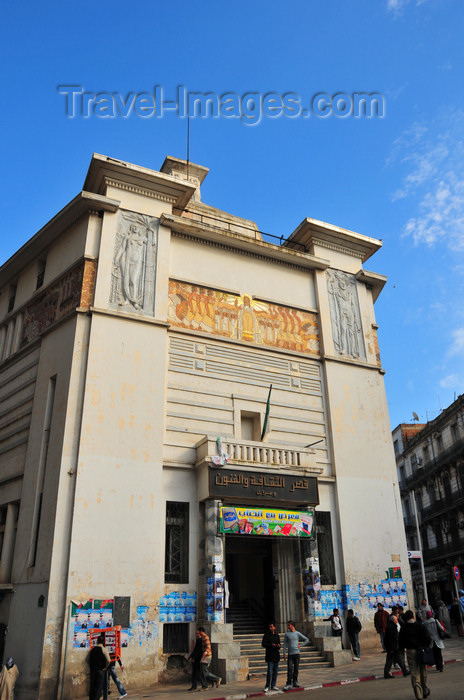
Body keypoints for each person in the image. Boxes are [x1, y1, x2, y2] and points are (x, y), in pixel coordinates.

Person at [399, 609, 432, 700]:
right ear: (413, 617)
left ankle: (418, 693)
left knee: (414, 672)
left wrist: (401, 649)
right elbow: (428, 639)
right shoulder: (420, 626)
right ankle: (425, 690)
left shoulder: (404, 628)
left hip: (410, 651)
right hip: (421, 650)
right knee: (423, 670)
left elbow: (400, 641)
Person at [282, 620, 309, 691]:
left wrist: (300, 645)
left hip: (297, 653)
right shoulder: (287, 634)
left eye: (289, 625)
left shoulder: (297, 633)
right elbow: (285, 644)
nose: (288, 626)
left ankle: (295, 681)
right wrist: (284, 653)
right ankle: (288, 683)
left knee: (296, 668)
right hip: (290, 654)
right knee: (290, 669)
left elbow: (306, 639)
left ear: (292, 625)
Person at [383, 613, 410, 679]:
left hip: (393, 647)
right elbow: (390, 639)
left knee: (394, 660)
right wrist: (391, 648)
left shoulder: (392, 626)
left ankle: (404, 671)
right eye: (396, 619)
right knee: (395, 660)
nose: (397, 620)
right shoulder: (391, 628)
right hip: (393, 648)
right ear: (393, 620)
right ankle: (404, 671)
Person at [87, 634, 111, 700]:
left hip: (93, 670)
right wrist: (105, 667)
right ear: (103, 642)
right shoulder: (104, 649)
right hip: (100, 670)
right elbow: (108, 660)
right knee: (99, 687)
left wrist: (91, 665)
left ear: (97, 641)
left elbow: (87, 659)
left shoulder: (92, 649)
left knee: (92, 686)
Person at [261, 621, 280, 692]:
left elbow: (279, 644)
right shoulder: (266, 635)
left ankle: (273, 685)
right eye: (270, 627)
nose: (271, 628)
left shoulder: (277, 635)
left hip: (276, 655)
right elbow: (263, 644)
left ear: (274, 627)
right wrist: (271, 645)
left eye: (272, 626)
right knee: (269, 671)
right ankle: (267, 685)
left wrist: (278, 645)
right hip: (269, 655)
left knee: (275, 671)